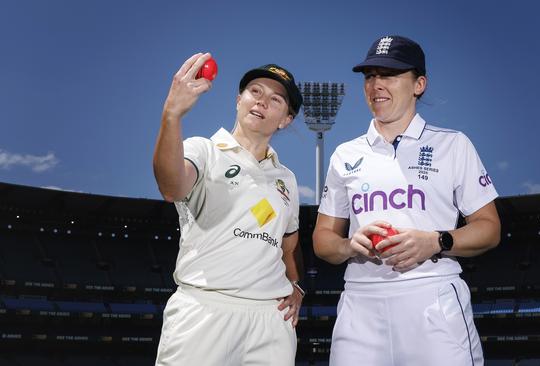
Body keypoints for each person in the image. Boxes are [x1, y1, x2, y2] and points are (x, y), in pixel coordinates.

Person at [312, 36, 501, 365]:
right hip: (361, 302)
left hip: (431, 295)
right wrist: (348, 246)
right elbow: (322, 239)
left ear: (419, 84)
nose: (376, 85)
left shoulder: (453, 145)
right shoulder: (346, 154)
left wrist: (436, 241)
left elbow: (489, 228)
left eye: (389, 75)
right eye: (370, 76)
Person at [153, 52, 305, 366]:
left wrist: (296, 284)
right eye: (255, 92)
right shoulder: (203, 150)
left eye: (275, 100)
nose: (262, 102)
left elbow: (289, 246)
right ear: (239, 99)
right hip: (205, 309)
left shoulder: (286, 179)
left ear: (286, 119)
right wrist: (172, 115)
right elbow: (171, 187)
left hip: (270, 319)